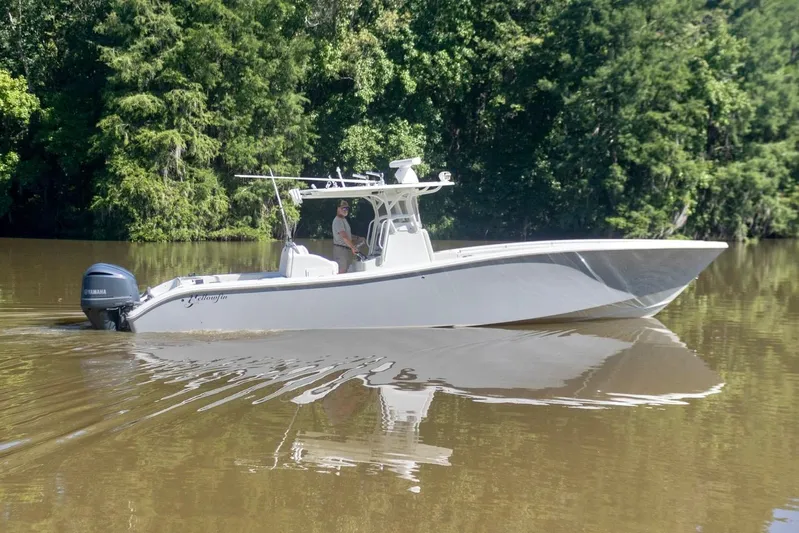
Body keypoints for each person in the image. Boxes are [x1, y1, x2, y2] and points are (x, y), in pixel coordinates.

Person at [332, 200, 364, 273]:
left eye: (347, 208)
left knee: (345, 270)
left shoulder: (343, 220)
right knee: (342, 271)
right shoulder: (338, 221)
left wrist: (358, 238)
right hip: (340, 251)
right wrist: (353, 248)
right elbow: (344, 237)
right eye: (343, 208)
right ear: (338, 208)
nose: (346, 210)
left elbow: (348, 235)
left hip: (345, 250)